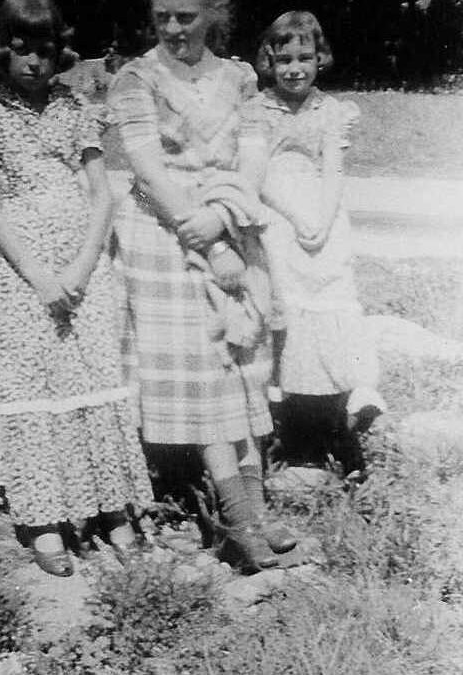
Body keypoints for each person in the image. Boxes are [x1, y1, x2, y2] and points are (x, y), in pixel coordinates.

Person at [0, 0, 154, 578]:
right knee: (37, 383)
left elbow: (102, 195)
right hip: (23, 271)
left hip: (83, 264)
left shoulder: (73, 108)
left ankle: (113, 509)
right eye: (22, 49)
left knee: (95, 376)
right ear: (1, 50)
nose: (35, 62)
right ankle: (45, 520)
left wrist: (82, 267)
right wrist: (42, 278)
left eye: (44, 50)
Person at [108, 0, 296, 573]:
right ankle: (236, 520)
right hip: (166, 233)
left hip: (230, 219)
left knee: (242, 368)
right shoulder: (135, 79)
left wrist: (224, 217)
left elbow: (255, 155)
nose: (172, 28)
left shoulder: (239, 77)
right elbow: (147, 168)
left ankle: (257, 512)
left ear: (212, 14)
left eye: (186, 16)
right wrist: (208, 242)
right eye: (162, 15)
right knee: (205, 372)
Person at [240, 11, 385, 477]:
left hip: (325, 220)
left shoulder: (332, 110)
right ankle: (292, 429)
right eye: (284, 60)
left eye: (305, 57)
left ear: (320, 58)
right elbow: (257, 175)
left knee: (335, 305)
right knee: (290, 315)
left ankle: (349, 405)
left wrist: (322, 221)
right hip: (280, 219)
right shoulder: (258, 110)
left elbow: (333, 170)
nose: (294, 68)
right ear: (269, 62)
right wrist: (299, 217)